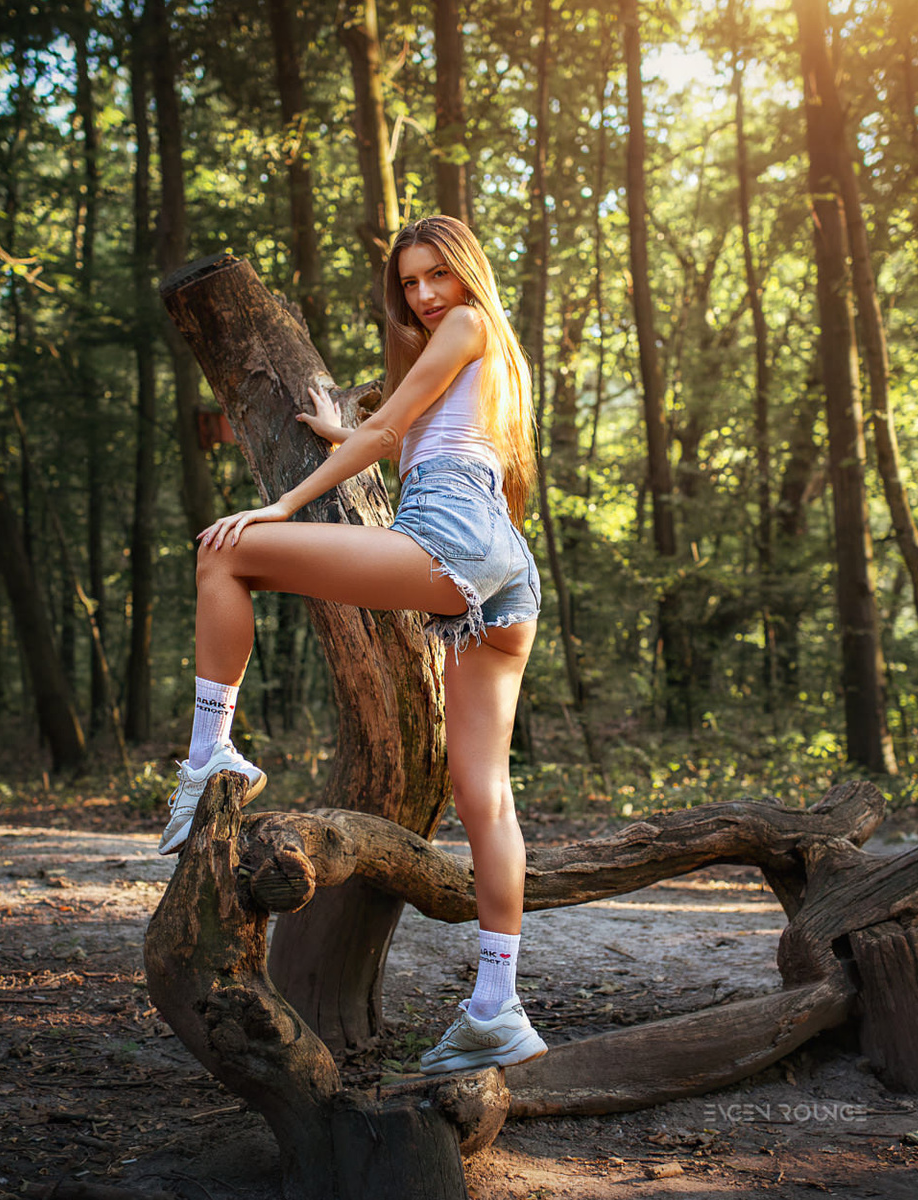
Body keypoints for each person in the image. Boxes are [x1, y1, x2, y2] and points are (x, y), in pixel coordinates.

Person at [161, 214, 549, 1074]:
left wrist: (281, 505)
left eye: (435, 275)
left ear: (465, 272)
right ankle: (499, 1005)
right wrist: (348, 434)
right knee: (482, 793)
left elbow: (386, 438)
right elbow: (406, 437)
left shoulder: (467, 321)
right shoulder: (480, 356)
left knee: (226, 555)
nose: (422, 294)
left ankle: (210, 755)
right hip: (503, 569)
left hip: (454, 543)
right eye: (408, 283)